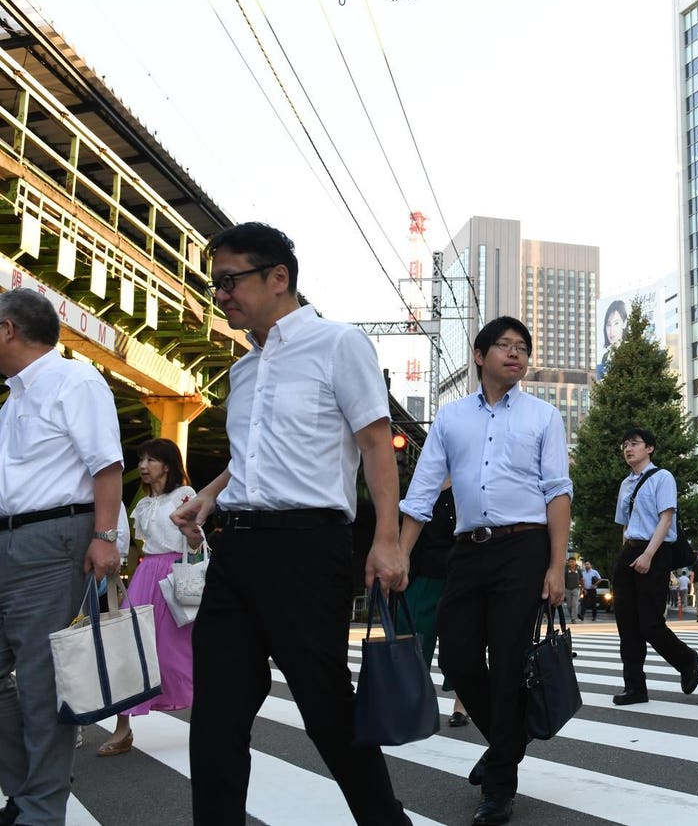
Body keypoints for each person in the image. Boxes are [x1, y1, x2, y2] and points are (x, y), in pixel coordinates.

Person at [170, 223, 410, 825]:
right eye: (214, 283)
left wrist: (386, 541)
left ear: (278, 278)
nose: (220, 294)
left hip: (309, 550)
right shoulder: (244, 372)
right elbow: (255, 456)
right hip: (237, 552)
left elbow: (377, 445)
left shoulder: (339, 345)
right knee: (217, 715)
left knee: (327, 711)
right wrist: (211, 494)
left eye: (230, 280)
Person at [399, 316, 571, 826]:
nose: (515, 354)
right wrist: (399, 554)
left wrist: (557, 566)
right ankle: (508, 743)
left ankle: (499, 787)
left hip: (524, 548)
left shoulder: (544, 417)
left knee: (510, 660)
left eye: (523, 347)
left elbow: (557, 492)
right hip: (468, 552)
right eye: (504, 346)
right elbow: (424, 490)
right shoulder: (451, 419)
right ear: (480, 355)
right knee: (456, 658)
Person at [0, 288, 123, 826]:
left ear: (7, 330)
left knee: (42, 679)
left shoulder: (74, 379)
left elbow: (107, 466)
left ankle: (39, 811)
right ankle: (28, 791)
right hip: (9, 540)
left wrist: (105, 537)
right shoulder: (17, 395)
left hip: (54, 539)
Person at [97, 439, 199, 758]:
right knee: (129, 650)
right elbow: (137, 548)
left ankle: (215, 720)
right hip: (145, 575)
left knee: (178, 653)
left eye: (150, 459)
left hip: (176, 576)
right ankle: (122, 729)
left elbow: (197, 543)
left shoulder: (186, 496)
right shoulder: (141, 506)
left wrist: (190, 531)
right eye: (141, 459)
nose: (142, 465)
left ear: (167, 465)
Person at [610, 428, 698, 705]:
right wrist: (625, 554)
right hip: (630, 551)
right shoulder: (626, 484)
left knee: (649, 623)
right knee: (627, 625)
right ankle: (635, 687)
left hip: (656, 551)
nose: (628, 448)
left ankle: (686, 659)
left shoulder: (663, 477)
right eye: (625, 444)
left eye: (634, 444)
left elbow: (666, 519)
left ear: (649, 448)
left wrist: (649, 555)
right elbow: (625, 524)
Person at [398, 483, 469, 729]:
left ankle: (462, 706)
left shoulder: (468, 482)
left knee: (463, 642)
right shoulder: (420, 486)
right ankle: (413, 703)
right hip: (422, 575)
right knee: (412, 639)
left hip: (459, 575)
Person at [596, 299, 627, 380]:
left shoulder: (628, 350)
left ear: (624, 323)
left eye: (616, 323)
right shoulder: (605, 356)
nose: (611, 330)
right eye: (609, 324)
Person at [564, 557, 583, 622]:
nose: (571, 563)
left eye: (573, 562)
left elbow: (582, 579)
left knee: (574, 604)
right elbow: (563, 580)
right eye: (570, 562)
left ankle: (573, 618)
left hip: (576, 589)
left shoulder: (579, 570)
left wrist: (583, 588)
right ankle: (574, 615)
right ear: (568, 563)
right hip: (567, 589)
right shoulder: (566, 571)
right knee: (569, 605)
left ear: (575, 562)